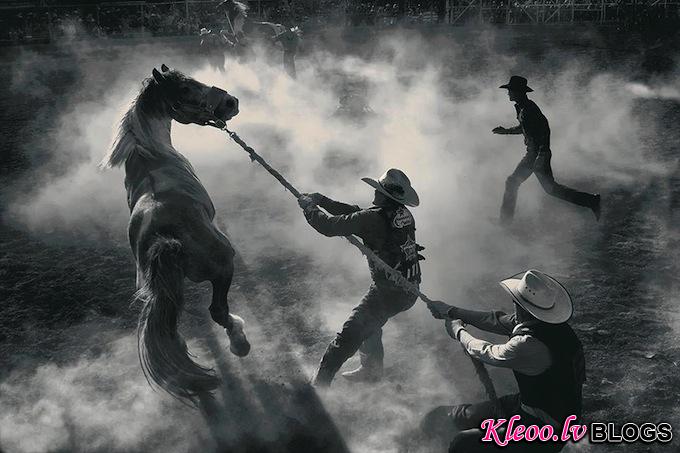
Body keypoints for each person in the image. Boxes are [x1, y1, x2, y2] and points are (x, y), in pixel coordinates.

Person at [424, 269, 585, 452]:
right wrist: (452, 311)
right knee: (456, 417)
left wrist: (458, 332)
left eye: (515, 302)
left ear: (522, 308)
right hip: (531, 407)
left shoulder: (528, 344)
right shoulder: (553, 327)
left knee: (463, 444)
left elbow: (488, 352)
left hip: (545, 430)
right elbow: (496, 320)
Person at [298, 169, 424, 386]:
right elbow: (357, 214)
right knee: (371, 324)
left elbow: (329, 226)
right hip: (408, 287)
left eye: (378, 190)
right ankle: (371, 370)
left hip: (388, 293)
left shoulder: (373, 218)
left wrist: (309, 208)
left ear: (384, 196)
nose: (374, 192)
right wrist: (323, 201)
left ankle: (319, 388)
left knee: (349, 335)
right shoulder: (400, 213)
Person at [493, 76, 601, 224]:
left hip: (537, 154)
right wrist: (505, 131)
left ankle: (592, 201)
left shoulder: (530, 109)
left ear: (518, 92)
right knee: (539, 187)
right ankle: (591, 201)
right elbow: (524, 128)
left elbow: (545, 129)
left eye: (510, 90)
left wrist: (541, 155)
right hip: (533, 153)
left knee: (541, 187)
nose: (508, 93)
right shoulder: (522, 107)